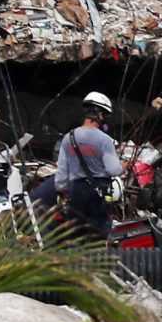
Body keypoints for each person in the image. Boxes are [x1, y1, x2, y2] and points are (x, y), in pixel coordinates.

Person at [52, 92, 124, 237]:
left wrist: (62, 191)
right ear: (99, 115)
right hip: (99, 194)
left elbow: (61, 176)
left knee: (76, 235)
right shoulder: (105, 140)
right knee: (99, 235)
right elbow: (113, 170)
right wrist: (124, 164)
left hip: (76, 192)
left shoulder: (68, 138)